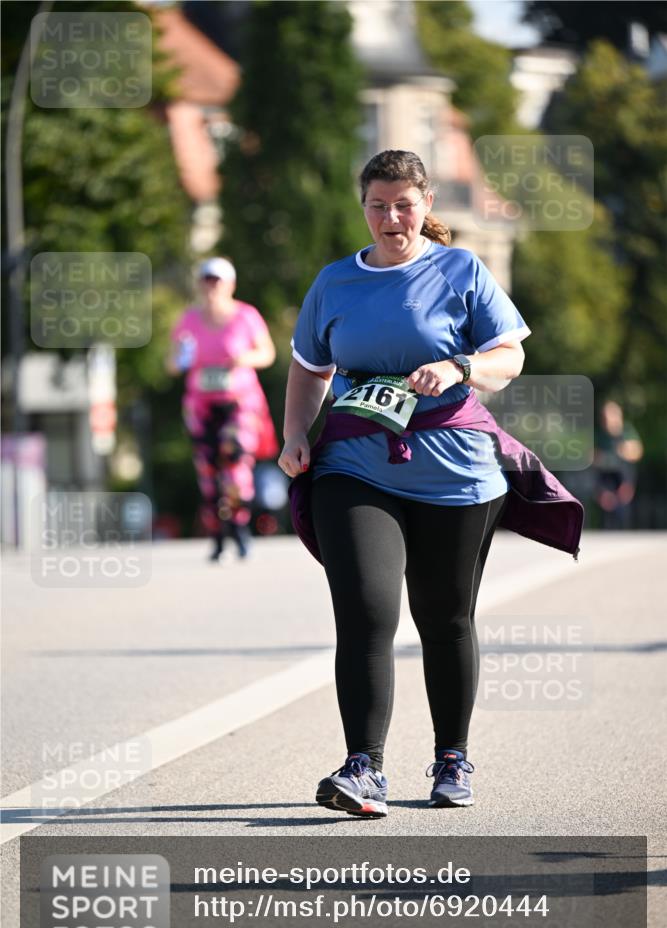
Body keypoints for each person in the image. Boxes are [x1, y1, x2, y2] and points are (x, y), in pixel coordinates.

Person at [279, 149, 581, 819]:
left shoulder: (459, 269)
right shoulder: (334, 282)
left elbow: (510, 355)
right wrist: (295, 434)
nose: (391, 218)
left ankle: (451, 759)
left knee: (443, 620)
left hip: (454, 468)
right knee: (364, 613)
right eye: (378, 205)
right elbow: (308, 368)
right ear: (362, 209)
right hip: (353, 463)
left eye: (403, 205)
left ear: (426, 206)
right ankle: (363, 768)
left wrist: (458, 367)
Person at [168, 257, 278, 560]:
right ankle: (217, 534)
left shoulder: (246, 316)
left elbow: (267, 353)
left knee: (235, 461)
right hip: (201, 403)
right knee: (208, 470)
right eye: (206, 280)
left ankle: (240, 527)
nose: (211, 286)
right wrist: (182, 359)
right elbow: (172, 363)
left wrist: (244, 359)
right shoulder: (188, 319)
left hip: (239, 402)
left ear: (230, 285)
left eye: (217, 280)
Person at [593, 400, 643, 529]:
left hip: (623, 478)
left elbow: (637, 452)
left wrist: (626, 450)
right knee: (608, 517)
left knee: (623, 515)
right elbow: (592, 458)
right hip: (606, 478)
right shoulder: (600, 435)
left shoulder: (626, 431)